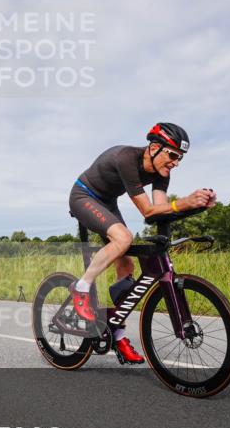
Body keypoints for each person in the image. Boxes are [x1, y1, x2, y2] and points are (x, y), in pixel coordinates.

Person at [69, 123, 216, 364]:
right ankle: (81, 287)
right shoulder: (127, 158)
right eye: (173, 155)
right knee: (124, 237)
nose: (176, 162)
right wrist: (185, 203)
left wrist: (196, 206)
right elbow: (148, 211)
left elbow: (161, 211)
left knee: (126, 267)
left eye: (180, 158)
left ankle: (116, 333)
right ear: (155, 148)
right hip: (84, 196)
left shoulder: (162, 173)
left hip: (107, 202)